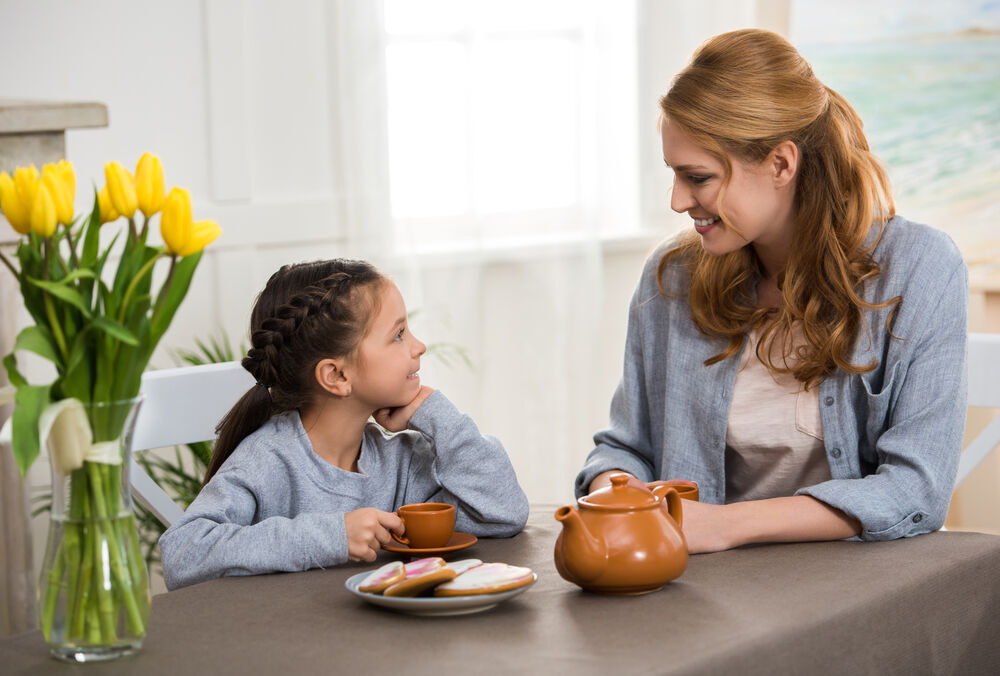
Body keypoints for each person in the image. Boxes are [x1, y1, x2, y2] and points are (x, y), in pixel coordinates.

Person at [576, 29, 968, 554]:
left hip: (858, 580)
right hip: (706, 581)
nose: (677, 201)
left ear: (781, 164)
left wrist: (724, 526)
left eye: (698, 177)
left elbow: (916, 490)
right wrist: (618, 492)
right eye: (674, 174)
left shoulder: (920, 269)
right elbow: (626, 448)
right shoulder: (671, 277)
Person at [160, 259, 528, 589]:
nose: (419, 347)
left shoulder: (399, 462)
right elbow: (182, 554)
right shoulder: (268, 459)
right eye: (398, 334)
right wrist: (334, 535)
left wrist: (438, 415)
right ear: (336, 376)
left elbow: (502, 513)